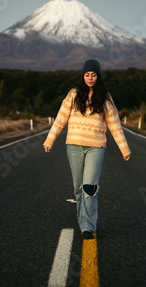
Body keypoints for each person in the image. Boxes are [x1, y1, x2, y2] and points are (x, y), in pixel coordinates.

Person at [43, 59, 131, 239]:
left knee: (89, 187)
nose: (90, 78)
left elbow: (115, 125)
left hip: (96, 147)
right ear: (82, 76)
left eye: (93, 75)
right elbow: (60, 119)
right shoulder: (73, 95)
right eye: (87, 75)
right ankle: (82, 219)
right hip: (74, 146)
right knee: (78, 188)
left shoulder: (105, 97)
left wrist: (124, 149)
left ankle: (87, 226)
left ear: (98, 76)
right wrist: (49, 140)